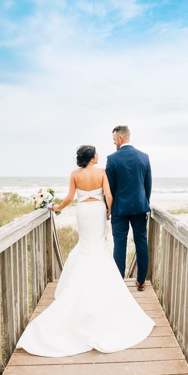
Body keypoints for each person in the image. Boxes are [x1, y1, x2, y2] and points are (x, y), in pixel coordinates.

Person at [17, 142, 153, 358]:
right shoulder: (101, 172)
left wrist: (57, 208)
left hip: (83, 211)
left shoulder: (74, 174)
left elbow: (70, 197)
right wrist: (108, 211)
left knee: (85, 244)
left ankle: (78, 282)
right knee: (97, 245)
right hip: (97, 210)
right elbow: (109, 195)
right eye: (96, 153)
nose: (99, 155)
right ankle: (101, 282)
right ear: (91, 157)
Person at [105, 125, 152, 290]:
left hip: (119, 209)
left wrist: (108, 208)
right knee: (141, 243)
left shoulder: (112, 159)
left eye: (114, 139)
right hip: (140, 207)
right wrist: (144, 202)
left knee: (120, 245)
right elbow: (148, 186)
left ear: (120, 138)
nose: (113, 143)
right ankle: (141, 281)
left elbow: (109, 188)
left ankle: (119, 283)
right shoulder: (144, 157)